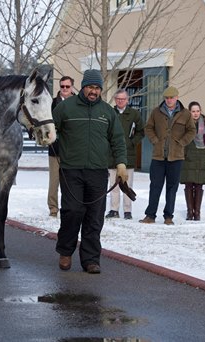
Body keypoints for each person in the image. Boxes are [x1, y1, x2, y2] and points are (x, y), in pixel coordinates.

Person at [52, 69, 127, 273]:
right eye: (90, 87)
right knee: (72, 212)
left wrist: (121, 163)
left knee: (95, 216)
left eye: (97, 88)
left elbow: (118, 139)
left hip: (97, 171)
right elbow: (51, 130)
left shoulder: (107, 112)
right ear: (83, 87)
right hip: (71, 170)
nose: (93, 91)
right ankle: (66, 252)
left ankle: (91, 259)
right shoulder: (65, 108)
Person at [139, 86, 196, 225]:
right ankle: (150, 215)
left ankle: (168, 216)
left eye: (171, 98)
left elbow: (192, 131)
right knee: (155, 186)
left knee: (172, 188)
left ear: (177, 97)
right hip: (158, 156)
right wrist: (154, 140)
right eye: (166, 98)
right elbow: (148, 127)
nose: (169, 100)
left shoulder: (186, 114)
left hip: (176, 157)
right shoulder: (156, 112)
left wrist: (182, 142)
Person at [105, 89, 145, 220]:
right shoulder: (110, 113)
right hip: (112, 154)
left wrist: (132, 142)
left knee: (127, 184)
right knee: (113, 184)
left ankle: (128, 211)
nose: (120, 101)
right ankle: (113, 209)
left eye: (123, 99)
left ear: (127, 100)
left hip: (129, 154)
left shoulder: (134, 114)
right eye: (118, 99)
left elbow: (141, 131)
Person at [179, 101, 205, 221]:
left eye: (198, 111)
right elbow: (180, 141)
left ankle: (197, 212)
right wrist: (184, 155)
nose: (196, 113)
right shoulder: (184, 125)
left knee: (199, 186)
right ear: (189, 112)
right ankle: (190, 212)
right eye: (193, 111)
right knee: (188, 185)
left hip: (201, 158)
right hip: (188, 159)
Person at [48, 76, 75, 217]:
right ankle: (53, 209)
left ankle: (69, 208)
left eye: (67, 86)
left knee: (71, 182)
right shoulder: (52, 104)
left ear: (72, 87)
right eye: (62, 86)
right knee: (54, 181)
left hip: (73, 150)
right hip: (55, 149)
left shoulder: (78, 103)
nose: (64, 89)